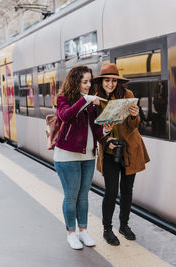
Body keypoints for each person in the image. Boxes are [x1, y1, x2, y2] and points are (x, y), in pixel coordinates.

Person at [54, 65, 113, 250]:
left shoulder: (90, 103)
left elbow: (94, 129)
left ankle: (83, 230)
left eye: (89, 81)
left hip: (88, 155)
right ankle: (71, 233)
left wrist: (105, 129)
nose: (88, 85)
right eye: (84, 82)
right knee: (71, 196)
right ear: (75, 81)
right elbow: (66, 116)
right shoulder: (63, 99)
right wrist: (85, 100)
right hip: (67, 156)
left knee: (83, 196)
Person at [93, 63, 150, 246]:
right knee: (110, 192)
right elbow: (96, 129)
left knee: (127, 191)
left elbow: (134, 126)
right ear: (101, 82)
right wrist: (105, 133)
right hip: (109, 150)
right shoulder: (96, 100)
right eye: (107, 80)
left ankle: (124, 225)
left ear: (118, 82)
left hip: (129, 149)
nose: (110, 84)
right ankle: (107, 229)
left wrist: (135, 115)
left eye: (113, 81)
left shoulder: (128, 95)